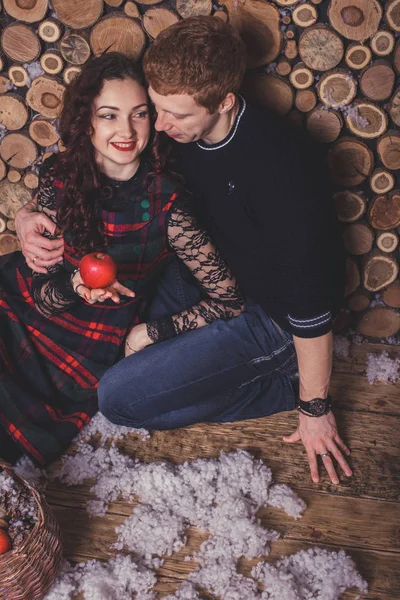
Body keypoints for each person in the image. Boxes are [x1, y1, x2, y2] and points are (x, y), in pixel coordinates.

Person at [15, 17, 352, 486]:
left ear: (226, 102)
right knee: (105, 343)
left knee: (119, 399)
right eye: (156, 108)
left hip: (275, 315)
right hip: (204, 276)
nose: (159, 125)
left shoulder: (283, 170)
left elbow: (310, 304)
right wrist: (25, 215)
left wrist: (315, 408)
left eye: (173, 114)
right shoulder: (179, 133)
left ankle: (282, 384)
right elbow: (86, 163)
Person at [0, 52, 244, 466]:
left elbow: (230, 300)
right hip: (26, 299)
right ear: (87, 121)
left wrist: (153, 331)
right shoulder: (60, 174)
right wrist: (72, 280)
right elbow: (42, 292)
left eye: (140, 115)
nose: (126, 131)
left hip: (85, 340)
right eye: (109, 115)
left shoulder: (168, 205)